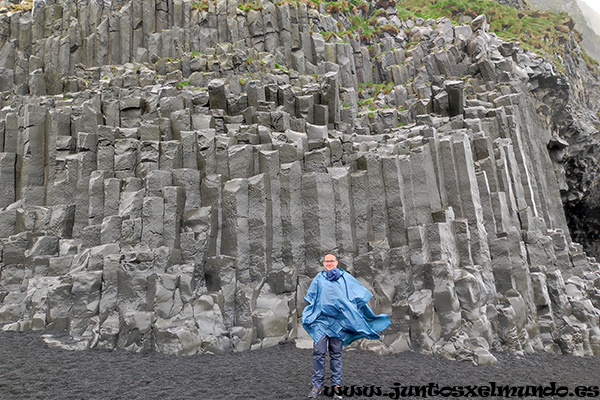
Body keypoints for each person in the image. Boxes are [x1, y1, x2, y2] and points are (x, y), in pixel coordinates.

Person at [302, 253, 390, 399]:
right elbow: (309, 298)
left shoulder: (345, 278)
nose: (329, 263)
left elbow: (357, 296)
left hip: (339, 323)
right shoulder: (318, 278)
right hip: (321, 322)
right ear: (323, 263)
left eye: (331, 261)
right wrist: (307, 315)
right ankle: (317, 385)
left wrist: (358, 312)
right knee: (318, 353)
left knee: (336, 354)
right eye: (326, 261)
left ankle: (336, 387)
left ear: (336, 262)